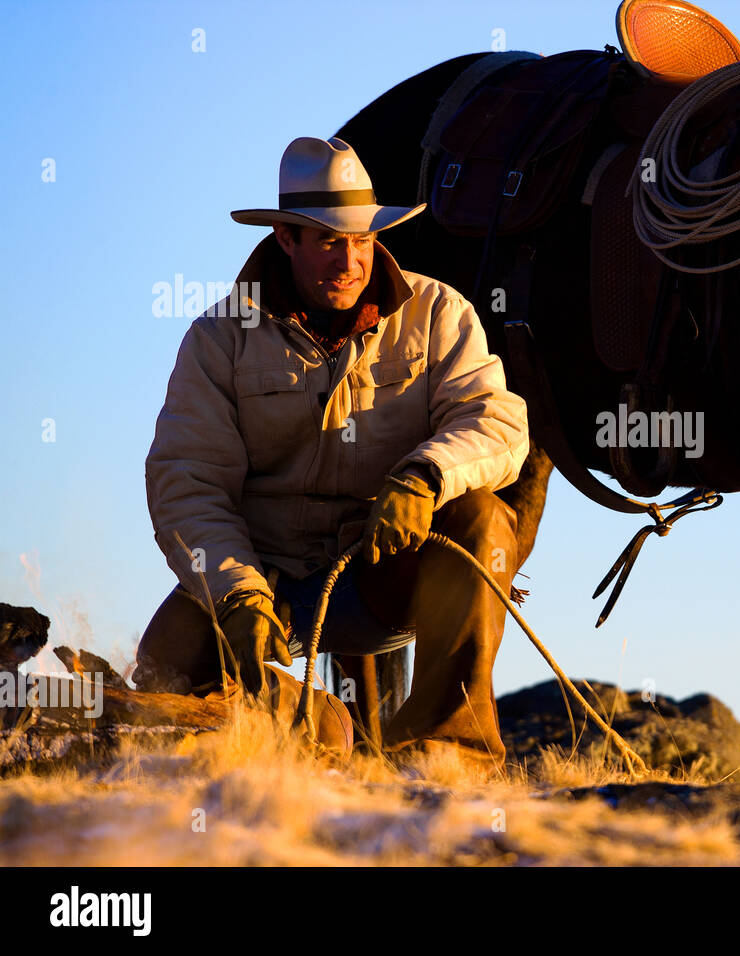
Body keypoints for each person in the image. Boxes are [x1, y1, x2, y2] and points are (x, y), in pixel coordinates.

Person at [134, 136, 530, 773]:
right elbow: (187, 481)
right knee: (161, 676)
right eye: (327, 241)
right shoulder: (217, 339)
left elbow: (497, 421)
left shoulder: (438, 313)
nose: (349, 261)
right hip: (268, 579)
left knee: (484, 519)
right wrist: (236, 593)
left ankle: (451, 754)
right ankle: (309, 723)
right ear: (285, 239)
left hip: (386, 571)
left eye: (363, 240)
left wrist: (427, 476)